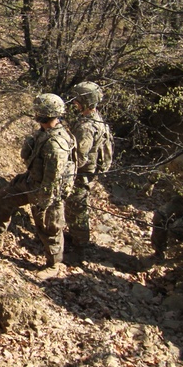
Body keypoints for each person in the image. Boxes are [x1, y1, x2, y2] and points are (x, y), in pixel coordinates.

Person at [0, 93, 77, 270]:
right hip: (31, 183)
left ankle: (54, 266)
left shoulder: (56, 143)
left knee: (49, 230)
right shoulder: (45, 132)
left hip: (47, 193)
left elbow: (53, 178)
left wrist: (44, 203)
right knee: (2, 199)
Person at [64, 81, 113, 259]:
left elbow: (80, 157)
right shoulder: (95, 119)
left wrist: (65, 172)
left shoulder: (86, 127)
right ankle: (78, 239)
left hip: (81, 173)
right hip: (88, 171)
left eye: (77, 100)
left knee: (76, 206)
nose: (74, 103)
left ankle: (80, 245)